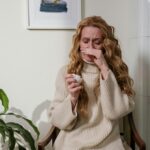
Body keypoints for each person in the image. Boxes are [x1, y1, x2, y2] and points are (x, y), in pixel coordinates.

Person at [48, 16, 135, 150]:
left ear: (105, 44)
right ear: (79, 43)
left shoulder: (116, 71)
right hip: (72, 142)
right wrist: (72, 98)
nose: (90, 47)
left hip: (109, 144)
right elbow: (57, 120)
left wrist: (104, 69)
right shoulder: (66, 72)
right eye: (85, 41)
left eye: (97, 42)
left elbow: (115, 112)